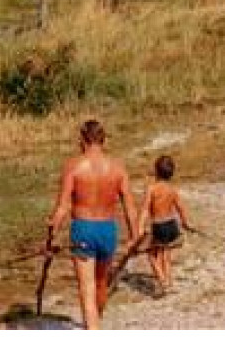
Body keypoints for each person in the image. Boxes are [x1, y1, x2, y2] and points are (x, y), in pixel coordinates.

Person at [47, 120, 136, 330]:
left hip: (84, 229)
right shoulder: (118, 167)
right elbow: (130, 207)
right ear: (103, 140)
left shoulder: (74, 166)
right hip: (107, 230)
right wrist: (134, 237)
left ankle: (93, 326)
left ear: (82, 140)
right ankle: (95, 323)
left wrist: (53, 226)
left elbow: (62, 207)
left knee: (87, 290)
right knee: (101, 282)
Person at [136, 155, 191, 298]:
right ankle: (169, 281)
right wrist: (186, 223)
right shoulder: (172, 189)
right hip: (171, 224)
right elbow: (180, 207)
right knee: (166, 253)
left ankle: (162, 281)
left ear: (156, 171)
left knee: (151, 254)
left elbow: (145, 209)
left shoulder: (152, 189)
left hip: (159, 225)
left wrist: (140, 227)